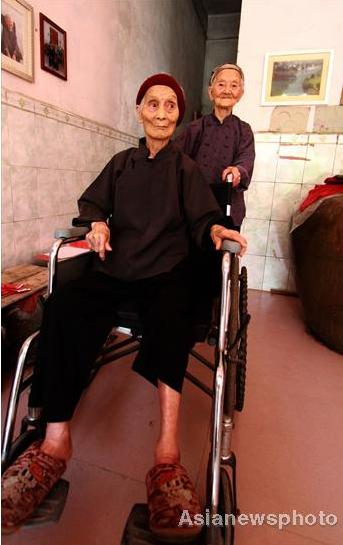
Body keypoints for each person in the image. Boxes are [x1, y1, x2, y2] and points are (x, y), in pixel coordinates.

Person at [1, 73, 247, 540]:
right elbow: (92, 204)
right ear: (140, 111)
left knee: (174, 312)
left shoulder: (185, 168)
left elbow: (205, 219)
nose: (159, 113)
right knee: (65, 303)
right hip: (118, 269)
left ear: (178, 115)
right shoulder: (121, 163)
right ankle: (54, 444)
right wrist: (97, 224)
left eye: (169, 106)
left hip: (167, 273)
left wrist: (216, 232)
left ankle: (167, 458)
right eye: (151, 104)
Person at [175, 63, 255, 231]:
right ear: (210, 92)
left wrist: (238, 171)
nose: (227, 90)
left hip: (229, 209)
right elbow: (176, 159)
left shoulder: (244, 130)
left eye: (234, 85)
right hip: (195, 208)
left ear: (240, 94)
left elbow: (246, 159)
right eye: (221, 84)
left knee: (225, 255)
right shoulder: (194, 128)